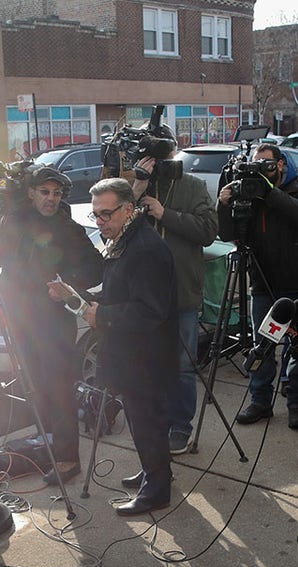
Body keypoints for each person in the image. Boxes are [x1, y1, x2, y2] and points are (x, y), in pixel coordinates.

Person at [0, 165, 103, 482]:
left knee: (60, 387)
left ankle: (67, 459)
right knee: (35, 387)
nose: (51, 198)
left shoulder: (68, 228)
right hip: (20, 318)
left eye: (56, 193)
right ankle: (46, 445)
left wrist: (68, 286)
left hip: (54, 322)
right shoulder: (14, 221)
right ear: (31, 193)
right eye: (44, 192)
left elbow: (97, 270)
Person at [72, 178, 177, 516]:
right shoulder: (124, 239)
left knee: (148, 420)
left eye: (106, 214)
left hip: (146, 355)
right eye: (96, 215)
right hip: (133, 352)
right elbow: (124, 293)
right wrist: (86, 299)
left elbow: (150, 309)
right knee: (140, 418)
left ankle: (157, 489)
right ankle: (153, 472)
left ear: (128, 210)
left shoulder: (143, 248)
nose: (100, 222)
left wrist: (101, 314)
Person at [218, 142, 298, 430]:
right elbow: (226, 233)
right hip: (263, 285)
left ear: (281, 164)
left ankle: (296, 406)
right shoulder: (248, 192)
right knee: (262, 348)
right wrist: (223, 204)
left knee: (296, 352)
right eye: (257, 164)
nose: (262, 170)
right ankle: (260, 402)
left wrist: (268, 192)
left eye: (268, 165)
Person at [131, 127, 218, 454]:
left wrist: (165, 214)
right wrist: (137, 188)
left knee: (182, 367)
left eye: (164, 157)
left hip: (181, 294)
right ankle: (156, 424)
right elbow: (113, 232)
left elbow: (209, 231)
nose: (159, 164)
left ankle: (181, 427)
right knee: (148, 366)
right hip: (144, 299)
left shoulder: (192, 185)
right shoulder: (136, 188)